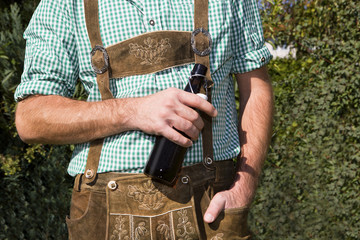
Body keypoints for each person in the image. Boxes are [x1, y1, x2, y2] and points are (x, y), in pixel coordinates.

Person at [15, 0, 273, 239]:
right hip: (102, 211)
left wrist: (243, 188)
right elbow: (31, 118)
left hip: (212, 210)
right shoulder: (65, 4)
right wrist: (133, 111)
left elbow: (256, 87)